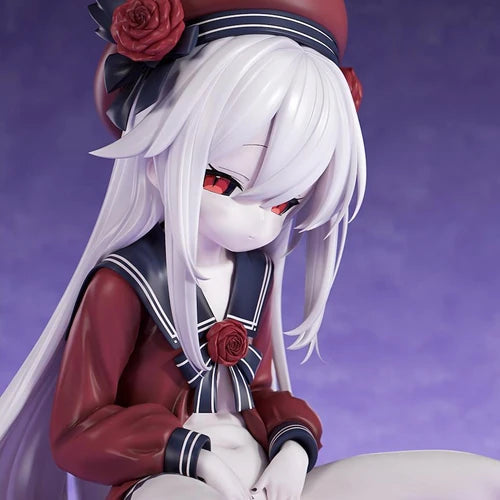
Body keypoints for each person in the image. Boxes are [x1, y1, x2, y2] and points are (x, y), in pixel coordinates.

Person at [1, 1, 499, 499]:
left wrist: (292, 451)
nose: (258, 220)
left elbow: (259, 393)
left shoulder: (254, 273)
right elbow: (79, 431)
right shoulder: (124, 285)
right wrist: (196, 458)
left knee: (471, 479)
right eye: (225, 183)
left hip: (260, 474)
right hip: (167, 480)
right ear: (157, 158)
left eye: (284, 203)